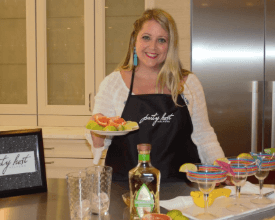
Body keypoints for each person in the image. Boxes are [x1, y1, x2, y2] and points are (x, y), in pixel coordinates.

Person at [85, 8, 225, 182]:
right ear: (134, 40)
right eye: (146, 37)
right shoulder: (113, 83)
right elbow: (99, 144)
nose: (153, 47)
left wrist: (222, 169)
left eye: (161, 40)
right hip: (127, 191)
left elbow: (204, 137)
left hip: (181, 189)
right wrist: (97, 129)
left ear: (170, 45)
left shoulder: (189, 83)